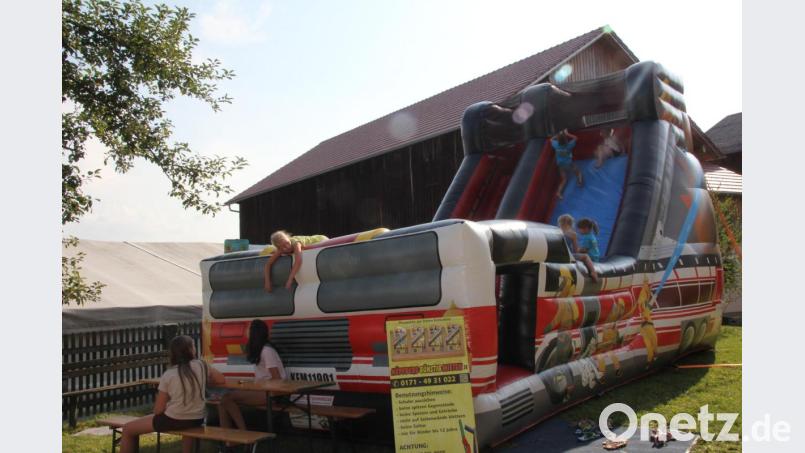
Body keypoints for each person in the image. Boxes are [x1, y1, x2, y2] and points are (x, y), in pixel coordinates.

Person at [120, 336, 226, 453]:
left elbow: (158, 410)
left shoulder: (169, 374)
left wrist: (168, 404)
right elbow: (221, 379)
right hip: (197, 418)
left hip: (174, 419)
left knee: (128, 429)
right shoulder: (201, 365)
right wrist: (203, 379)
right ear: (190, 350)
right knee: (187, 426)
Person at [218, 320, 287, 434]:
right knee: (222, 401)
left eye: (249, 330)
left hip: (273, 394)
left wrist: (259, 386)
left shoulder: (267, 351)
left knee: (226, 398)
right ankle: (227, 440)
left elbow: (277, 379)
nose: (247, 333)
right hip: (263, 391)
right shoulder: (260, 350)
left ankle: (244, 434)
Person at [263, 231, 327, 292]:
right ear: (279, 248)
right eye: (283, 247)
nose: (287, 247)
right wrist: (267, 282)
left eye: (287, 243)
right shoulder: (281, 249)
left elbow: (298, 261)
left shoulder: (295, 243)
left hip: (320, 239)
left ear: (288, 238)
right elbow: (268, 264)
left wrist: (290, 279)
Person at [557, 214, 598, 282]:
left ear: (559, 223)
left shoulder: (556, 231)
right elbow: (576, 251)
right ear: (571, 224)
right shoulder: (573, 234)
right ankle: (593, 272)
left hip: (557, 254)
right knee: (585, 256)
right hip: (567, 256)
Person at [551, 129, 583, 199]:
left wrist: (556, 136)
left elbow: (551, 140)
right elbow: (576, 138)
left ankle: (559, 192)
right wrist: (567, 134)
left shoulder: (556, 145)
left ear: (558, 140)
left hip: (560, 165)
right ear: (566, 140)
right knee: (578, 172)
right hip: (569, 164)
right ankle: (580, 182)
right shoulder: (568, 145)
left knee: (564, 179)